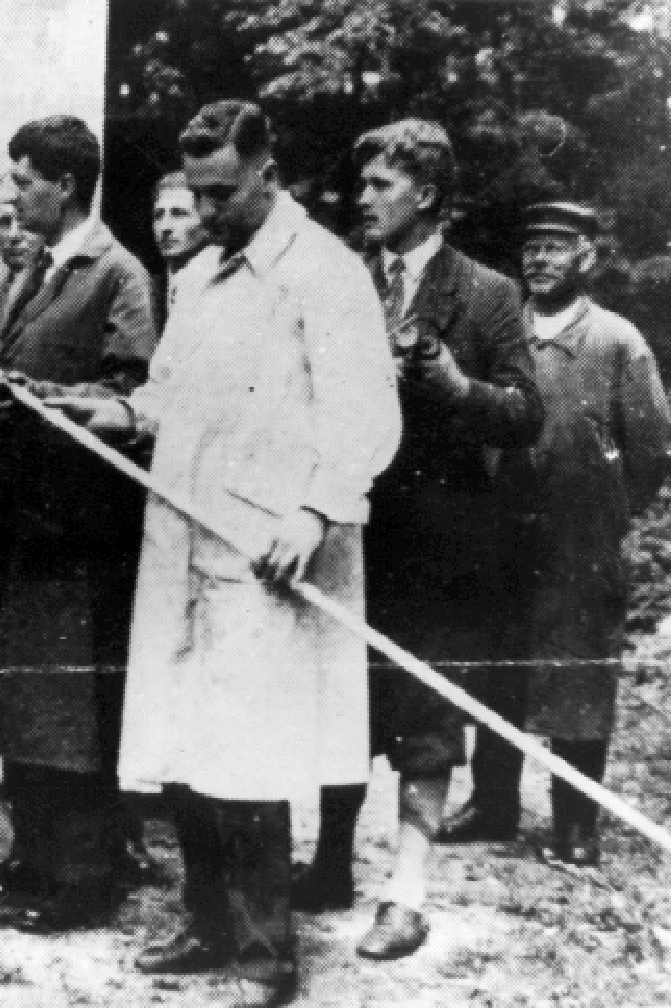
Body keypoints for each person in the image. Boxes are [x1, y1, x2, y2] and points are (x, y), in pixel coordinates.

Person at [53, 99, 400, 1007]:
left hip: (267, 549)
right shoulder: (201, 275)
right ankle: (205, 924)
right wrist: (116, 413)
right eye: (195, 195)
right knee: (184, 738)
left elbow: (366, 412)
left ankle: (265, 954)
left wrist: (315, 511)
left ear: (266, 175)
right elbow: (168, 396)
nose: (203, 213)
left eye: (220, 194)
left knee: (249, 751)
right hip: (183, 534)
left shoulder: (322, 272)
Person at [293, 119, 542, 961]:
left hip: (441, 544)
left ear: (426, 195)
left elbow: (526, 413)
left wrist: (457, 385)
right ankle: (329, 864)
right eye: (362, 185)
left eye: (379, 186)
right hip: (353, 528)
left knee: (427, 718)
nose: (362, 199)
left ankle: (405, 894)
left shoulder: (488, 293)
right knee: (342, 700)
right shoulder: (342, 280)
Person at [0, 115, 158, 933]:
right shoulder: (36, 273)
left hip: (75, 532)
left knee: (71, 707)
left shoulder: (117, 275)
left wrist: (59, 406)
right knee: (25, 701)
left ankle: (85, 879)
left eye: (28, 180)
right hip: (17, 524)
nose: (16, 193)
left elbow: (131, 393)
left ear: (67, 185)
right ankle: (37, 858)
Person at [447, 201, 671, 866]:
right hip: (500, 531)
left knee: (579, 672)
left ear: (588, 258)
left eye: (558, 247)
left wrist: (604, 515)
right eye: (533, 247)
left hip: (580, 542)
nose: (541, 259)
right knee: (496, 665)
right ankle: (492, 804)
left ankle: (576, 821)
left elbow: (652, 451)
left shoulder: (616, 341)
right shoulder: (500, 332)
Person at [150, 169, 209, 321]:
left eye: (179, 214)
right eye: (158, 215)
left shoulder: (226, 288)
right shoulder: (145, 290)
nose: (165, 227)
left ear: (206, 221)